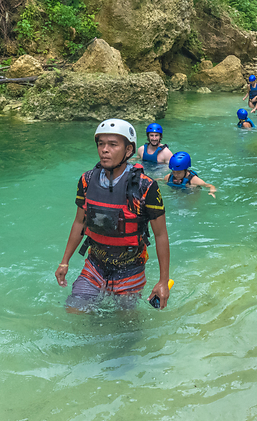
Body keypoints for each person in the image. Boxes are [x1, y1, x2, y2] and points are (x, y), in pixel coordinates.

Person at [55, 119, 171, 311]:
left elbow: (161, 235)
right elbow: (79, 223)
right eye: (101, 144)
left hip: (130, 268)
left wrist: (163, 281)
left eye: (113, 144)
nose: (104, 150)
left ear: (128, 150)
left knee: (126, 325)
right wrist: (64, 262)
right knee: (74, 310)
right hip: (95, 264)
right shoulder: (87, 180)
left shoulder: (145, 186)